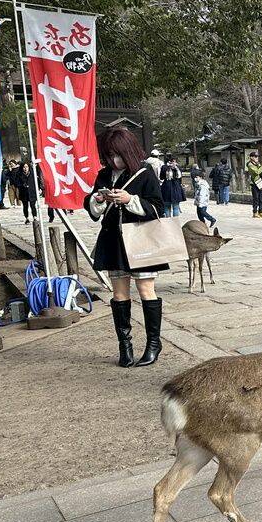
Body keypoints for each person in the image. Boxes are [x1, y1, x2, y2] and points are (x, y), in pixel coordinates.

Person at [86, 127, 167, 368]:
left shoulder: (145, 173)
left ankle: (154, 343)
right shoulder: (103, 175)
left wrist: (129, 200)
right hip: (113, 241)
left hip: (141, 240)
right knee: (119, 294)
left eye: (118, 155)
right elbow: (91, 209)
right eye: (109, 156)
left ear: (129, 151)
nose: (114, 161)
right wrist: (98, 201)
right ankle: (125, 345)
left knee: (145, 290)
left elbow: (157, 208)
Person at [247, 151, 262, 218]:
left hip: (260, 182)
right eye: (255, 156)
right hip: (254, 183)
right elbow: (257, 172)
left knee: (261, 197)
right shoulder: (250, 164)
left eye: (257, 156)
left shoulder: (258, 164)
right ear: (251, 157)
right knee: (256, 198)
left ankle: (261, 211)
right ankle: (255, 212)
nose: (257, 158)